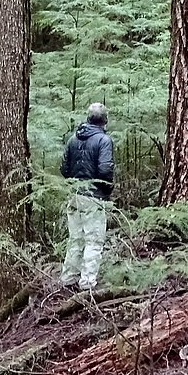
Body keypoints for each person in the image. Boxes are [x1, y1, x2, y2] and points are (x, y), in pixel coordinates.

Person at [59, 102, 114, 291]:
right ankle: (87, 284)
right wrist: (105, 190)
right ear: (104, 120)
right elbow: (105, 169)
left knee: (75, 239)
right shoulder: (103, 140)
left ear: (88, 118)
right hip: (94, 197)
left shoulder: (73, 139)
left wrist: (75, 184)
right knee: (94, 240)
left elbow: (64, 168)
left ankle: (68, 279)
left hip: (74, 196)